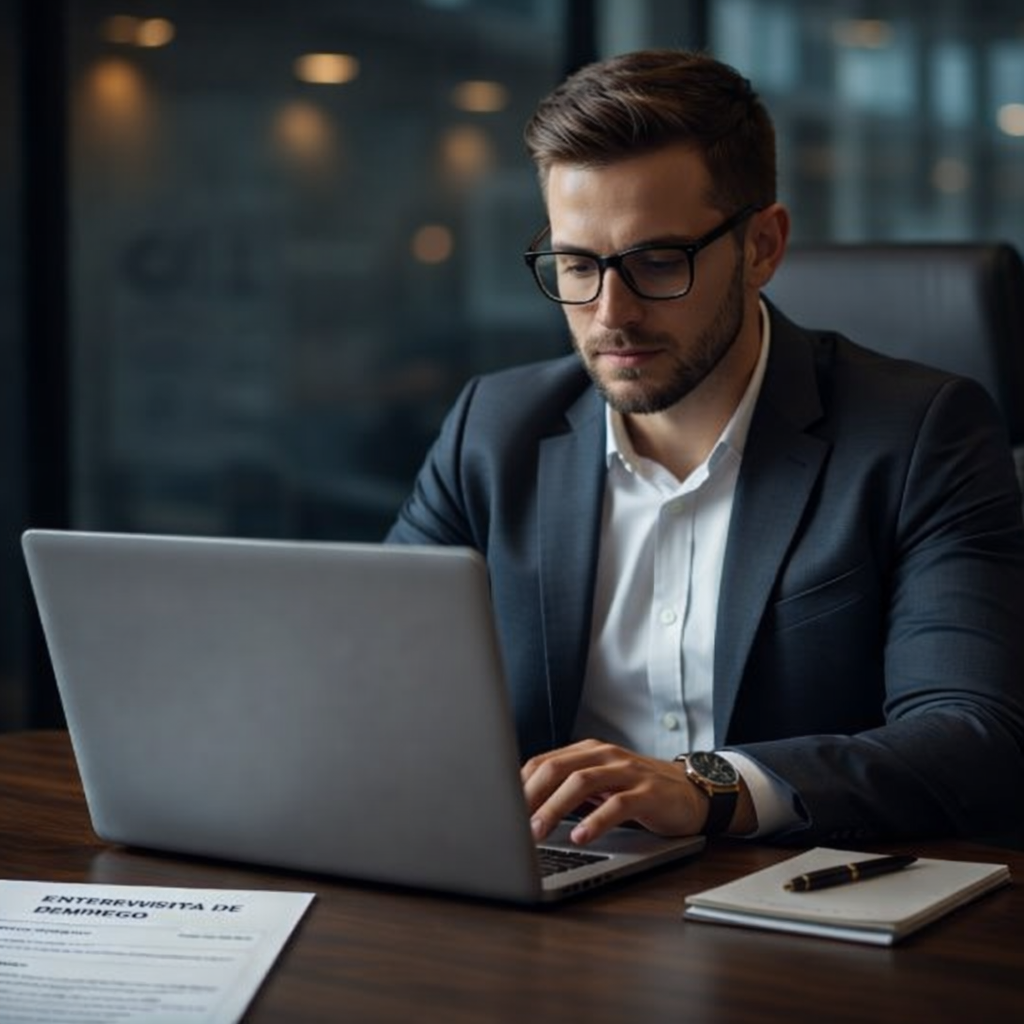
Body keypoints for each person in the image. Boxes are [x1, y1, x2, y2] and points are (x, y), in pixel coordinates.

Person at [386, 49, 1024, 847]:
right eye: (577, 265)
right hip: (553, 890)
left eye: (658, 262)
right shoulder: (494, 428)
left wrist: (706, 785)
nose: (611, 313)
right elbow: (376, 684)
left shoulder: (923, 434)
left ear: (762, 246)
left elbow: (976, 737)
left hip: (793, 906)